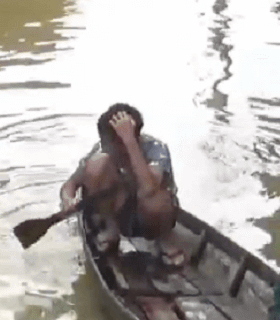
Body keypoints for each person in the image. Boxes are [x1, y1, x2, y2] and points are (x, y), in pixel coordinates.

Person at [58, 103, 185, 265]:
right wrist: (68, 201)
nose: (112, 148)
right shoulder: (102, 150)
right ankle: (110, 230)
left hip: (153, 217)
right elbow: (70, 185)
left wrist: (130, 142)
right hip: (119, 214)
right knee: (97, 164)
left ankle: (163, 238)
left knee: (153, 197)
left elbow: (148, 188)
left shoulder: (155, 149)